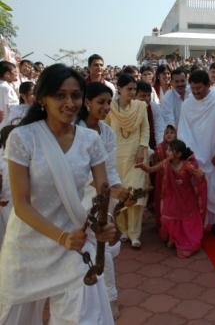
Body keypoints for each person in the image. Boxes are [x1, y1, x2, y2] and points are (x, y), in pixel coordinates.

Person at [0, 64, 115, 324]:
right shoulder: (22, 138)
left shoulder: (90, 140)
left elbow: (102, 193)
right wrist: (61, 237)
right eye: (60, 95)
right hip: (29, 246)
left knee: (83, 319)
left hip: (74, 246)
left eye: (75, 96)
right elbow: (21, 204)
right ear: (42, 99)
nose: (69, 102)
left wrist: (106, 222)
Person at [77, 81, 124, 319]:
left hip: (102, 196)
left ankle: (110, 297)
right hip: (77, 197)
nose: (106, 107)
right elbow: (77, 170)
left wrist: (118, 190)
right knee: (83, 250)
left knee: (102, 248)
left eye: (109, 102)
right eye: (101, 102)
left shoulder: (106, 132)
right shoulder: (73, 129)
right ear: (87, 103)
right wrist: (104, 187)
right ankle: (89, 298)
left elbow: (110, 168)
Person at [178, 70, 215, 237]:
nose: (196, 92)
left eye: (199, 89)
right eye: (193, 89)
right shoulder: (187, 104)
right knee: (196, 192)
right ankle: (198, 223)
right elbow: (183, 130)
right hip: (194, 156)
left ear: (208, 85)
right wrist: (188, 153)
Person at [137, 139, 207, 258]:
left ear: (178, 154)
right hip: (172, 197)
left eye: (170, 150)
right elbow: (151, 169)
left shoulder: (186, 165)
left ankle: (184, 242)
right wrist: (143, 167)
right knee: (169, 217)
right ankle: (174, 238)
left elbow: (199, 175)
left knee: (186, 220)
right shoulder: (166, 164)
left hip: (186, 200)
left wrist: (200, 175)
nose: (167, 151)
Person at [107, 73, 149, 248]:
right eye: (129, 89)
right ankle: (123, 230)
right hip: (116, 157)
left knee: (136, 195)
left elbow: (145, 130)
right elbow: (105, 131)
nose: (132, 92)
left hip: (136, 157)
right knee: (120, 194)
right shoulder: (109, 108)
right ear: (119, 89)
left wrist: (142, 147)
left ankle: (135, 234)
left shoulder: (140, 106)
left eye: (134, 89)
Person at [0, 61, 19, 131]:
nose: (16, 74)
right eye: (14, 72)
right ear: (7, 74)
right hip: (6, 127)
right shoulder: (6, 88)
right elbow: (14, 109)